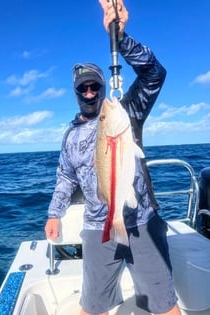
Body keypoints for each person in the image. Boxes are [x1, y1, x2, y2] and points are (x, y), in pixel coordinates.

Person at [45, 0, 182, 314]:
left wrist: (120, 37)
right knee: (92, 306)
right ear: (76, 92)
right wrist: (55, 213)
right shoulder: (71, 136)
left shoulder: (126, 113)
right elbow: (66, 178)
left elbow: (154, 74)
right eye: (84, 89)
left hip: (143, 221)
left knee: (164, 304)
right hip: (99, 226)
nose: (91, 93)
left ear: (104, 87)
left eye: (95, 87)